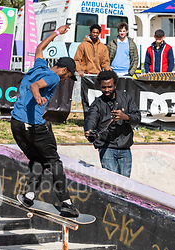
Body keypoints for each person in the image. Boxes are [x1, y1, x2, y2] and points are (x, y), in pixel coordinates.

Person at [11, 24, 79, 217]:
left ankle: (29, 195)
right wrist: (38, 96)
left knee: (37, 159)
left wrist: (57, 32)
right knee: (54, 161)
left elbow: (40, 48)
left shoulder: (39, 66)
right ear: (64, 70)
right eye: (68, 76)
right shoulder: (54, 77)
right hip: (33, 126)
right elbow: (35, 85)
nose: (67, 80)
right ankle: (65, 202)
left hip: (16, 124)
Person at [84, 70, 141, 178]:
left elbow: (137, 117)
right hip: (107, 147)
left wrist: (125, 117)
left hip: (125, 147)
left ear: (115, 85)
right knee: (113, 182)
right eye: (103, 87)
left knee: (125, 183)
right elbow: (90, 120)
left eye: (109, 87)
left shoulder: (126, 98)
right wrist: (89, 130)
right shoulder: (97, 104)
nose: (106, 90)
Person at [74, 23, 111, 112]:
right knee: (87, 99)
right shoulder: (82, 45)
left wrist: (109, 72)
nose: (95, 34)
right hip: (86, 77)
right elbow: (77, 60)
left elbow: (105, 62)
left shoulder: (103, 47)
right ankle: (87, 118)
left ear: (99, 34)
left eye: (97, 33)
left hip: (98, 76)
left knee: (99, 99)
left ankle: (98, 118)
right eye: (93, 32)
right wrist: (79, 70)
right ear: (90, 32)